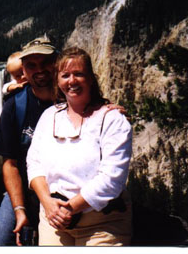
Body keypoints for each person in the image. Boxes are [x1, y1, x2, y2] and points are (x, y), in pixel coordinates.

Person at [27, 47, 132, 246]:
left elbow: (112, 178)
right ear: (57, 81)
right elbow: (34, 164)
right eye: (65, 75)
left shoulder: (112, 120)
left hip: (103, 223)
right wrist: (48, 204)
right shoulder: (49, 117)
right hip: (54, 221)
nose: (72, 81)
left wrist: (69, 208)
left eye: (79, 74)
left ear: (90, 79)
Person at [0, 37, 58, 246]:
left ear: (57, 64)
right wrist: (19, 210)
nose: (39, 70)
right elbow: (10, 164)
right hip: (23, 192)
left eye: (45, 63)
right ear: (23, 71)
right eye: (32, 65)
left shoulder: (73, 100)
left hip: (63, 192)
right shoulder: (15, 106)